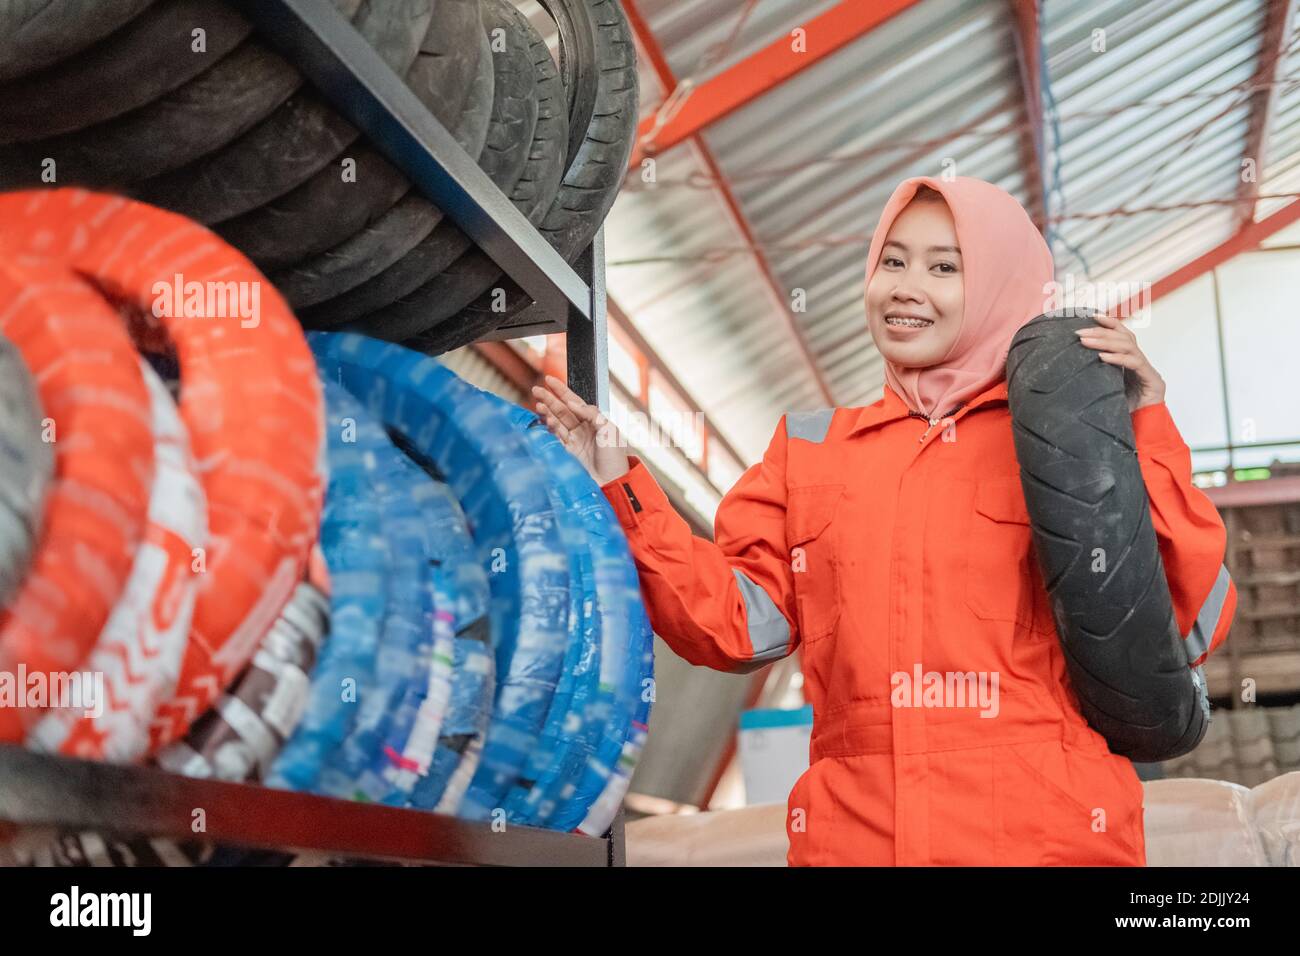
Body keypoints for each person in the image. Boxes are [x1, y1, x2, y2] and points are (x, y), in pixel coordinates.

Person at [531, 175, 1238, 866]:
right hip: (853, 835)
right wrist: (621, 487)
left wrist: (1141, 425)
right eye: (892, 261)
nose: (905, 286)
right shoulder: (810, 448)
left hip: (1042, 834)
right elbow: (735, 625)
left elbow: (1189, 622)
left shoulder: (1065, 446)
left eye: (943, 268)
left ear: (1002, 286)